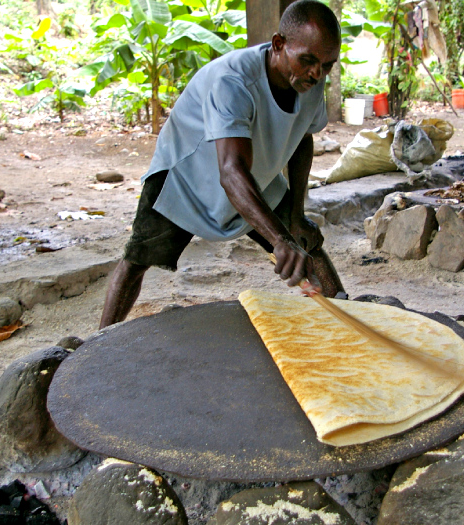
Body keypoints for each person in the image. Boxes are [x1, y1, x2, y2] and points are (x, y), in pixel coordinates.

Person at [99, 0, 346, 328]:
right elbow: (230, 173)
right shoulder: (234, 82)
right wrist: (279, 240)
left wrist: (297, 217)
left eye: (327, 65)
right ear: (278, 44)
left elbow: (302, 138)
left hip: (253, 174)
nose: (317, 73)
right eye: (309, 61)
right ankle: (99, 341)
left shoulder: (309, 82)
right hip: (185, 174)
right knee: (136, 261)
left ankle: (350, 322)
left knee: (307, 242)